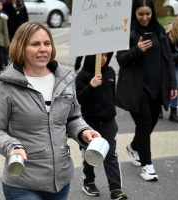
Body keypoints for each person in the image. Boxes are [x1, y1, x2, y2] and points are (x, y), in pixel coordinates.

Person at [0, 22, 101, 200]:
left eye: (47, 43)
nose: (43, 49)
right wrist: (12, 147)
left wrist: (83, 131)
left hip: (60, 181)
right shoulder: (5, 85)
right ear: (21, 48)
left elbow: (73, 117)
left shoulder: (66, 79)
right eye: (35, 44)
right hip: (22, 183)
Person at [116, 0, 178, 181]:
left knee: (151, 124)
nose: (144, 18)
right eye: (140, 14)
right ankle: (147, 165)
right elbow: (121, 59)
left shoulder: (160, 31)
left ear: (153, 13)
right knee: (144, 124)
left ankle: (133, 147)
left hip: (157, 87)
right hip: (137, 89)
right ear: (134, 13)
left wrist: (172, 85)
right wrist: (137, 50)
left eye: (148, 14)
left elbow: (168, 59)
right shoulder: (128, 31)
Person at [75, 53, 128, 200]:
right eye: (100, 55)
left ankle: (115, 189)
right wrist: (91, 86)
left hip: (108, 122)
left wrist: (112, 114)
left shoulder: (110, 72)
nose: (103, 58)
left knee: (110, 154)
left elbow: (111, 95)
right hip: (89, 123)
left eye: (106, 55)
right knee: (90, 153)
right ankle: (89, 181)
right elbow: (78, 101)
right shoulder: (83, 76)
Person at [164, 14, 178, 123]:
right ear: (177, 26)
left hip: (176, 64)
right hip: (165, 63)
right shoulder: (168, 36)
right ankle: (158, 108)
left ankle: (173, 113)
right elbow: (165, 55)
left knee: (175, 86)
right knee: (162, 85)